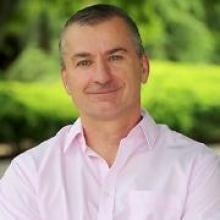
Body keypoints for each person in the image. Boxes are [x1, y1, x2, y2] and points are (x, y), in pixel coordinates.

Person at [0, 4, 220, 220]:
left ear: (143, 67)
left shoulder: (198, 169)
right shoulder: (29, 175)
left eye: (115, 57)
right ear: (66, 80)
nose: (102, 76)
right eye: (84, 62)